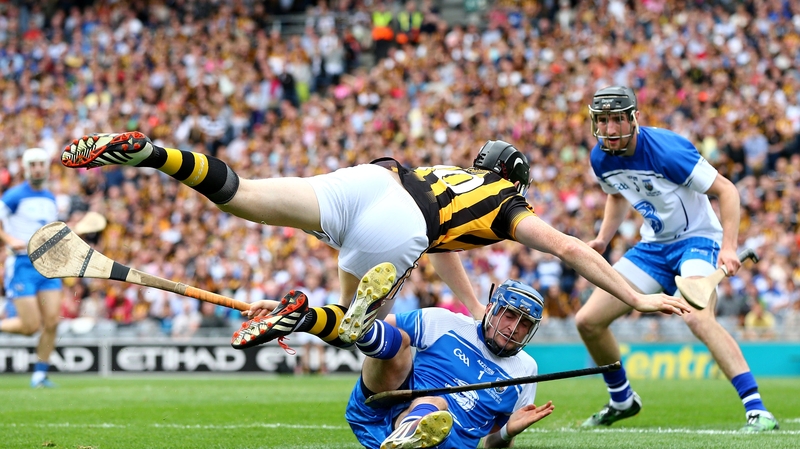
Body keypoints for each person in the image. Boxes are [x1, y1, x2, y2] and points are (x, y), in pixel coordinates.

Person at [60, 132, 689, 353]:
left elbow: (447, 258)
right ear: (517, 181)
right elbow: (575, 250)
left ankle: (152, 154)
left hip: (371, 180)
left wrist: (473, 314)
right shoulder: (508, 203)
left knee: (242, 195)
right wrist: (635, 297)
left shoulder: (455, 175)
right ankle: (303, 315)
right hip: (400, 227)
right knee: (359, 331)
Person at [575, 86, 778, 432]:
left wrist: (729, 247)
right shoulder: (601, 157)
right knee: (588, 320)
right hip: (653, 247)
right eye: (603, 120)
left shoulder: (668, 151)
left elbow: (727, 190)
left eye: (616, 120)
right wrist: (603, 238)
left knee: (698, 318)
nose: (609, 130)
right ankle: (622, 399)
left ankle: (757, 410)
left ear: (633, 118)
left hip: (696, 240)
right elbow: (617, 195)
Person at [0, 148, 63, 388]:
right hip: (22, 265)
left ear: (46, 167)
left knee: (52, 322)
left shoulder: (50, 198)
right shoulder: (14, 196)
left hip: (47, 267)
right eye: (33, 164)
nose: (38, 168)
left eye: (41, 164)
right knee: (30, 327)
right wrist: (9, 239)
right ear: (27, 168)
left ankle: (40, 374)